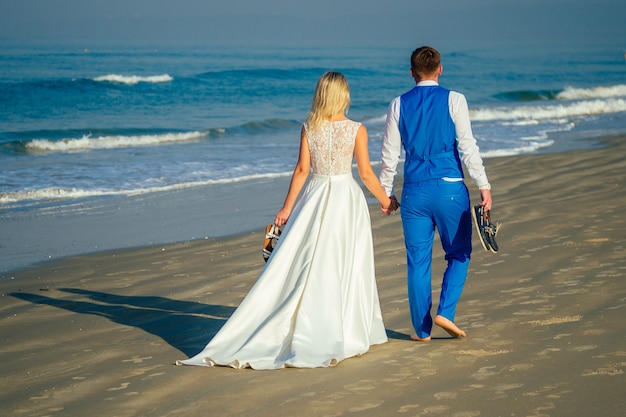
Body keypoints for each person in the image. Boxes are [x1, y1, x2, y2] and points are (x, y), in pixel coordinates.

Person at [177, 71, 399, 369]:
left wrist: (286, 209)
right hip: (346, 200)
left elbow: (302, 171)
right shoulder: (357, 129)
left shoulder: (310, 128)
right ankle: (343, 328)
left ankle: (306, 323)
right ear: (344, 96)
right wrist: (386, 201)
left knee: (308, 262)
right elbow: (366, 174)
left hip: (316, 197)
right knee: (345, 262)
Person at [379, 46, 492, 342]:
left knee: (418, 260)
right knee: (459, 252)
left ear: (412, 73)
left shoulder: (398, 104)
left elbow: (389, 155)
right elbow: (468, 146)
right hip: (449, 188)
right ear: (440, 69)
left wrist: (385, 194)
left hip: (414, 191)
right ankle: (446, 312)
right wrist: (484, 185)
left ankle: (421, 330)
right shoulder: (455, 99)